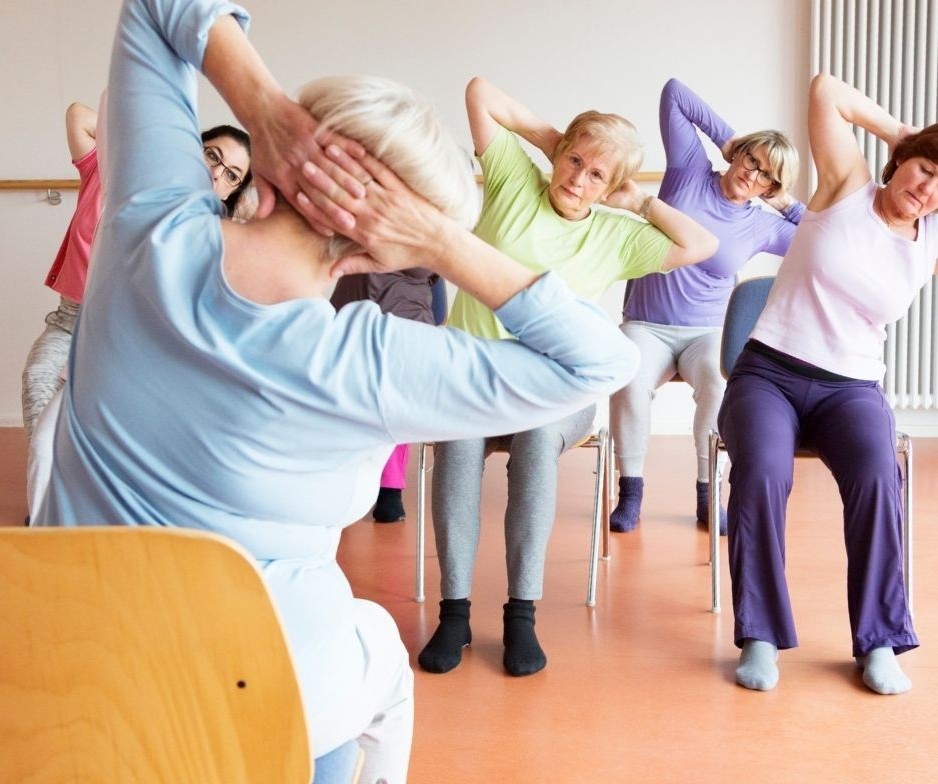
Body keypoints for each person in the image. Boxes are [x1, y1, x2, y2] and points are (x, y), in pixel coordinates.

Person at [33, 2, 642, 781]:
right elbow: (599, 363)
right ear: (384, 244)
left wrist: (262, 109)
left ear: (278, 157)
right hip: (250, 714)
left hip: (68, 689)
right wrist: (443, 243)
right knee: (376, 655)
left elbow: (156, 11)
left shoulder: (146, 228)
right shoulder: (368, 363)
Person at [418, 77, 718, 678]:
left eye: (597, 175)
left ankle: (521, 615)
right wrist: (555, 140)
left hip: (556, 389)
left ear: (613, 186)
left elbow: (702, 244)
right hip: (474, 376)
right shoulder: (514, 180)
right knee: (458, 445)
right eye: (575, 162)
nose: (579, 179)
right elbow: (479, 92)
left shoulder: (617, 235)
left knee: (535, 442)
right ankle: (454, 613)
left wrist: (640, 203)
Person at [717, 73, 937, 696]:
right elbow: (825, 90)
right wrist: (902, 133)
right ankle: (760, 635)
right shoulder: (847, 184)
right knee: (762, 472)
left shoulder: (929, 240)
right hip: (769, 373)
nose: (926, 189)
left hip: (852, 390)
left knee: (878, 475)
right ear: (902, 162)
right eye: (924, 169)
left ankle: (880, 640)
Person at [23, 112, 253, 518]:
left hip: (132, 342)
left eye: (232, 175)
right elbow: (79, 116)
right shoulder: (120, 171)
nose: (217, 173)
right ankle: (52, 512)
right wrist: (162, 139)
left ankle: (89, 509)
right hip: (70, 322)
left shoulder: (211, 229)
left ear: (233, 190)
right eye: (212, 156)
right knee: (40, 399)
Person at [609, 78, 803, 536]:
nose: (752, 174)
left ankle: (707, 493)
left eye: (766, 175)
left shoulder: (762, 225)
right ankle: (630, 491)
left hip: (707, 333)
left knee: (718, 384)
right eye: (751, 160)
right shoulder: (689, 172)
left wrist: (786, 203)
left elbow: (819, 237)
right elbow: (674, 93)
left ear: (771, 186)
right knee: (628, 377)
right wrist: (727, 139)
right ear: (739, 154)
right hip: (647, 325)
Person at [330, 267, 440, 522]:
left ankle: (370, 485)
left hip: (355, 320)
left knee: (375, 396)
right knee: (392, 396)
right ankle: (387, 489)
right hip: (394, 325)